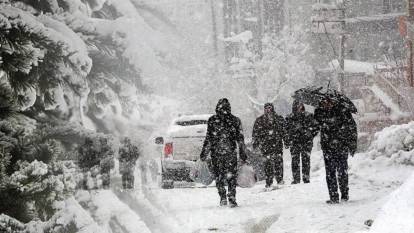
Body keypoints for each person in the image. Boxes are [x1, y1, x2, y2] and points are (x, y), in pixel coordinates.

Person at [200, 98, 247, 208]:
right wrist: (242, 153)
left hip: (217, 153)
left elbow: (209, 139)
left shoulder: (213, 120)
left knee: (219, 176)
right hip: (230, 153)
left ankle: (222, 197)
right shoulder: (235, 120)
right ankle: (231, 197)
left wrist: (204, 153)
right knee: (231, 177)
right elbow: (240, 139)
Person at [315, 97, 357, 204]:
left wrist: (352, 144)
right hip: (328, 148)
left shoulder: (343, 111)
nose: (326, 104)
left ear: (333, 101)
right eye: (324, 102)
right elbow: (315, 125)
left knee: (342, 172)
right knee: (330, 173)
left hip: (341, 146)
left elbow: (352, 128)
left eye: (328, 101)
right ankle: (333, 196)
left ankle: (344, 195)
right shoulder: (320, 112)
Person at [252, 103, 287, 188]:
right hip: (266, 145)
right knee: (267, 164)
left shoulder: (279, 119)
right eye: (266, 108)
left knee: (278, 162)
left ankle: (280, 179)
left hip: (277, 144)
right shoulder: (259, 120)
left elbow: (284, 131)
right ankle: (269, 182)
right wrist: (255, 144)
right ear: (264, 109)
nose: (268, 110)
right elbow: (255, 133)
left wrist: (286, 141)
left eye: (270, 108)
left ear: (273, 108)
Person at [286, 100, 318, 184]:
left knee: (306, 160)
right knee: (295, 161)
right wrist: (291, 135)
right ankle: (296, 179)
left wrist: (310, 134)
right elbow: (286, 130)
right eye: (297, 105)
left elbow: (316, 127)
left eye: (300, 105)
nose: (299, 107)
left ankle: (306, 178)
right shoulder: (289, 117)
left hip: (306, 142)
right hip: (294, 142)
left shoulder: (309, 116)